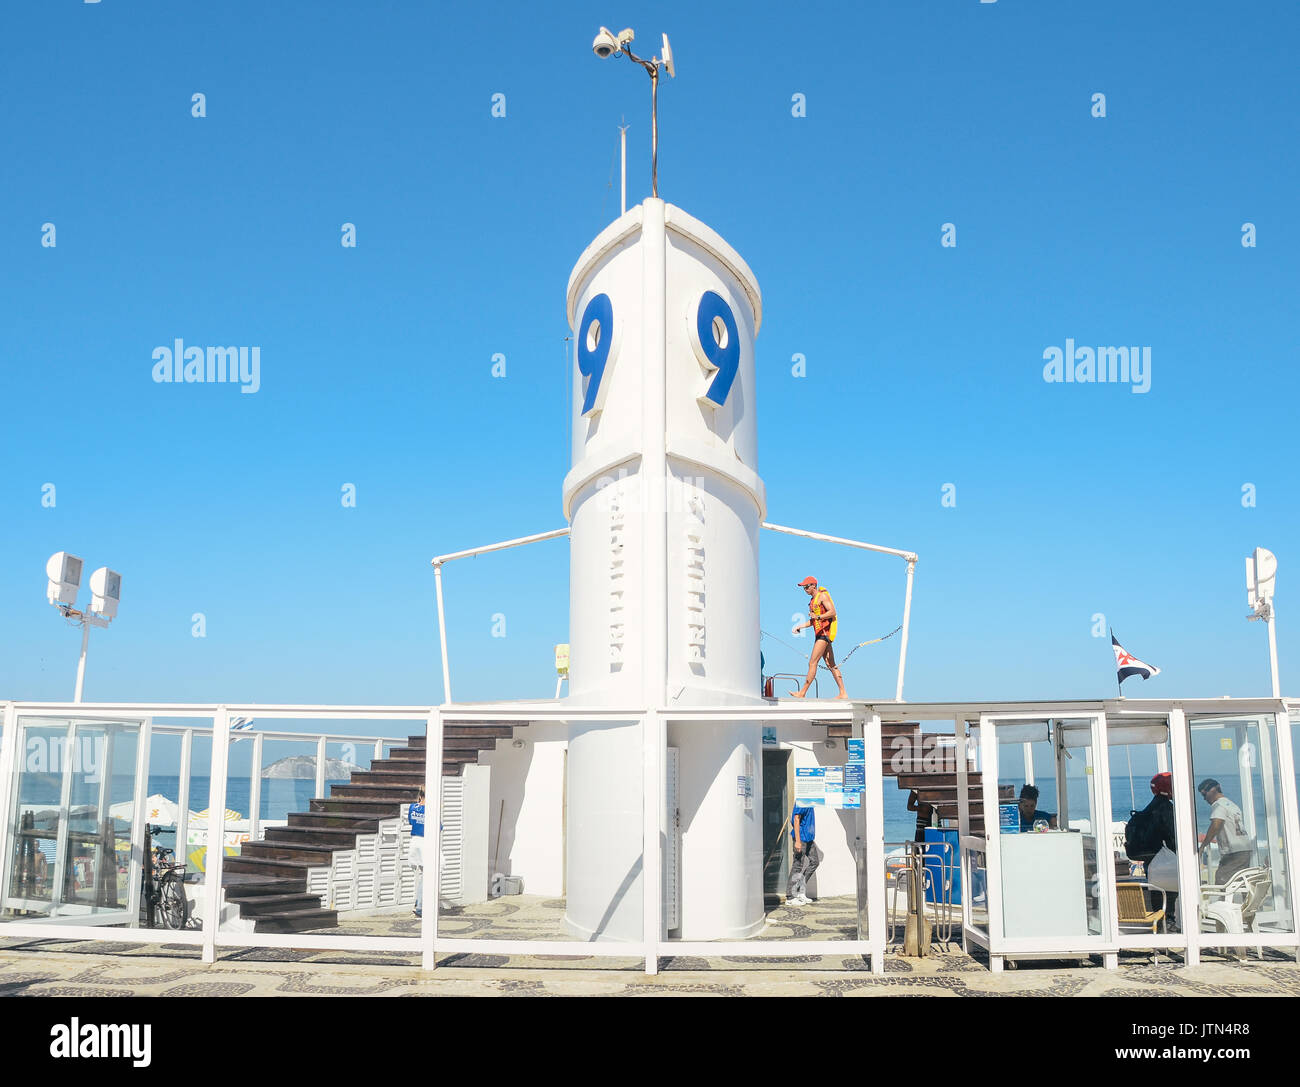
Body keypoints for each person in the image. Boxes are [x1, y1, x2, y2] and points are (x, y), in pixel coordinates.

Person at [1127, 772, 1179, 930]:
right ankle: (1167, 919)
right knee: (1169, 888)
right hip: (1161, 855)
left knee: (1157, 887)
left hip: (1149, 854)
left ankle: (1161, 920)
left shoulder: (1153, 805)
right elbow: (1171, 834)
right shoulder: (1165, 807)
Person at [789, 576, 848, 699]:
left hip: (824, 635)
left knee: (812, 662)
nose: (804, 590)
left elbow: (832, 612)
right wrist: (800, 626)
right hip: (820, 634)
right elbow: (813, 620)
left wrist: (818, 617)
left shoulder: (822, 596)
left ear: (813, 586)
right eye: (803, 587)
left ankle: (802, 692)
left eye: (806, 587)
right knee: (830, 664)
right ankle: (843, 693)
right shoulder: (812, 601)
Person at [1197, 779, 1253, 885]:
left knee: (1221, 879)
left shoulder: (1219, 805)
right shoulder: (1231, 804)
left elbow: (1216, 824)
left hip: (1234, 851)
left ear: (1213, 790)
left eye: (1204, 795)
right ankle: (1247, 900)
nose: (1204, 799)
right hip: (1244, 847)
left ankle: (1223, 901)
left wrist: (1203, 845)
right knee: (1242, 880)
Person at [786, 801, 821, 906]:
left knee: (815, 862)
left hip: (809, 839)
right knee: (797, 865)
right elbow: (796, 819)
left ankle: (800, 890)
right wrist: (797, 841)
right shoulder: (802, 800)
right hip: (801, 838)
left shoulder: (810, 800)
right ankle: (790, 897)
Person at [408, 786, 426, 918]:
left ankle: (419, 901)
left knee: (422, 875)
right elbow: (439, 827)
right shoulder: (431, 808)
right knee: (428, 875)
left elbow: (410, 821)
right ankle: (420, 906)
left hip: (414, 842)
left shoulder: (412, 807)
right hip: (425, 842)